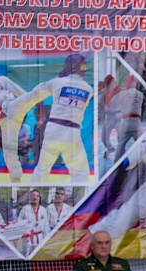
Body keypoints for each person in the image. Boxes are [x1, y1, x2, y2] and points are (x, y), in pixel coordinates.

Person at [23, 54, 94, 182]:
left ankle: (33, 191)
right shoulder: (88, 89)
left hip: (53, 129)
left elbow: (37, 92)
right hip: (72, 132)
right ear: (82, 67)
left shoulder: (57, 82)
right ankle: (79, 194)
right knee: (80, 173)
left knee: (42, 169)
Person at [72, 231, 141, 271]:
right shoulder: (81, 266)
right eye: (99, 243)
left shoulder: (123, 263)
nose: (104, 246)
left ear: (110, 245)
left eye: (107, 243)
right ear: (92, 246)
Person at [112, 75, 145, 158]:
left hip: (125, 123)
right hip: (136, 124)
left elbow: (113, 103)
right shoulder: (140, 94)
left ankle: (117, 161)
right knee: (142, 144)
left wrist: (117, 93)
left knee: (121, 145)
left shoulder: (122, 94)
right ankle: (144, 161)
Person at [17, 188, 50, 253]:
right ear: (29, 198)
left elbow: (46, 226)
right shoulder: (25, 209)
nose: (35, 197)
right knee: (27, 255)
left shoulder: (43, 210)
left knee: (39, 255)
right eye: (33, 195)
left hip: (40, 237)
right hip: (28, 238)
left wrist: (46, 239)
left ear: (39, 198)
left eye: (37, 196)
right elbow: (19, 223)